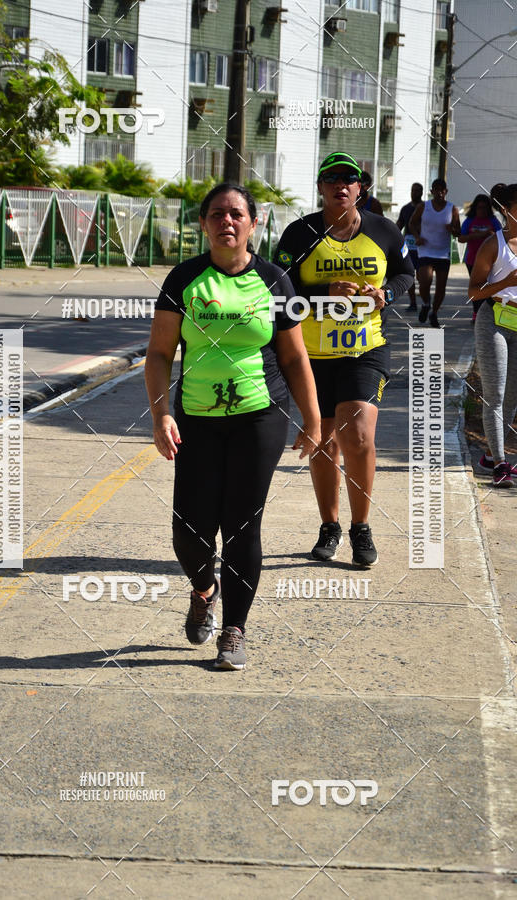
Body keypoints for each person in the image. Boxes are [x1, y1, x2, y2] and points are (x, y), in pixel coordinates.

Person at [145, 183, 321, 669]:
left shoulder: (274, 281)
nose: (227, 221)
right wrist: (161, 413)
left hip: (260, 417)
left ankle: (234, 631)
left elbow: (293, 355)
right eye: (217, 214)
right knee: (189, 530)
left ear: (253, 224)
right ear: (203, 224)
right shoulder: (183, 279)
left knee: (242, 526)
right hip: (196, 419)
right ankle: (204, 589)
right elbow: (159, 354)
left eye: (237, 214)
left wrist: (313, 418)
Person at [275, 151, 414, 567]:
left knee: (357, 438)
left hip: (364, 350)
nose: (341, 185)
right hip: (310, 357)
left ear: (360, 188)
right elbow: (279, 293)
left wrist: (385, 294)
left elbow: (405, 273)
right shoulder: (298, 234)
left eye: (349, 179)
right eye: (332, 178)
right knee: (324, 441)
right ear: (320, 187)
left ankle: (361, 527)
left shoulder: (384, 231)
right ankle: (330, 525)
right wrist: (322, 295)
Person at [468, 182, 517, 487]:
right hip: (493, 320)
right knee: (495, 395)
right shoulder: (493, 244)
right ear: (506, 210)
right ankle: (500, 464)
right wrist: (507, 282)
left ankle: (490, 452)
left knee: (512, 396)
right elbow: (474, 292)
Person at [409, 178, 461, 328]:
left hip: (443, 253)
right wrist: (417, 237)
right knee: (424, 282)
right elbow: (412, 223)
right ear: (431, 191)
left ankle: (434, 313)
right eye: (436, 190)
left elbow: (458, 231)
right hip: (425, 250)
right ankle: (426, 304)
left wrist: (453, 229)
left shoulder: (452, 209)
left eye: (442, 190)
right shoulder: (423, 206)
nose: (439, 193)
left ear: (446, 191)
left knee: (441, 287)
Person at [458, 193, 502, 323]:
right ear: (474, 208)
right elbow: (461, 238)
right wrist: (478, 235)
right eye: (479, 208)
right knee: (476, 287)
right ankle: (476, 313)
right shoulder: (469, 221)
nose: (482, 210)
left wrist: (491, 235)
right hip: (472, 260)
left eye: (484, 208)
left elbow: (501, 237)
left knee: (487, 288)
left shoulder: (493, 221)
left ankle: (489, 314)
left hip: (491, 261)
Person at [396, 182, 423, 310]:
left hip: (423, 246)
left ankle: (425, 302)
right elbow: (399, 225)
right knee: (410, 275)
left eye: (418, 190)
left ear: (422, 193)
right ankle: (413, 303)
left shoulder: (425, 208)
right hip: (409, 246)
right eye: (413, 190)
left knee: (422, 277)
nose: (415, 193)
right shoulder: (405, 208)